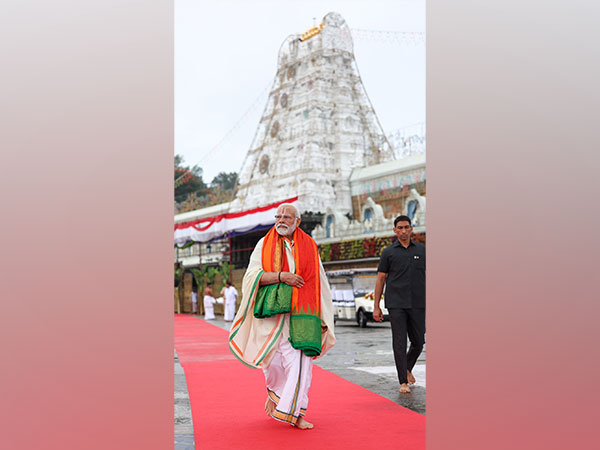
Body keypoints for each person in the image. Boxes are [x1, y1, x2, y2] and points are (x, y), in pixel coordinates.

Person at [228, 203, 336, 429]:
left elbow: (320, 284)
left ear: (297, 222)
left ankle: (295, 413)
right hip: (271, 316)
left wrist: (323, 319)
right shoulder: (263, 244)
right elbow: (251, 277)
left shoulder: (309, 245)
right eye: (278, 216)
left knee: (300, 365)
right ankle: (276, 394)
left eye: (287, 217)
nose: (281, 220)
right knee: (272, 363)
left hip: (302, 316)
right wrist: (281, 276)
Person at [373, 215, 425, 394]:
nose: (403, 231)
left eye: (406, 227)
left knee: (419, 341)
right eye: (400, 228)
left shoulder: (422, 251)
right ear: (395, 231)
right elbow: (380, 279)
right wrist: (376, 306)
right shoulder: (388, 253)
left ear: (411, 229)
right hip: (396, 304)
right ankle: (403, 381)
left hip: (418, 303)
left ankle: (407, 367)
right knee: (400, 342)